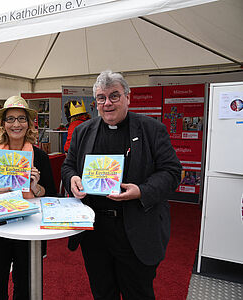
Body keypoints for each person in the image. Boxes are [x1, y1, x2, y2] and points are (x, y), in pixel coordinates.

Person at [61, 70, 182, 300]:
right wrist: (72, 180)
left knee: (138, 293)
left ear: (128, 97)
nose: (107, 103)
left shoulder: (151, 130)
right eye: (101, 98)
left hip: (135, 229)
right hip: (95, 231)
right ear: (95, 102)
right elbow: (68, 167)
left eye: (114, 96)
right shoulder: (82, 131)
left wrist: (142, 191)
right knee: (102, 292)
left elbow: (172, 172)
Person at [0, 95, 57, 300]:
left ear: (29, 124)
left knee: (27, 288)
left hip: (28, 231)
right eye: (10, 119)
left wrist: (36, 188)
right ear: (2, 124)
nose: (16, 124)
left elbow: (52, 195)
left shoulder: (40, 157)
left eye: (21, 118)